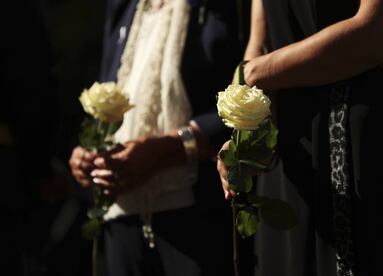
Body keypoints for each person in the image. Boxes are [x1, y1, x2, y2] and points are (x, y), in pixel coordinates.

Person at [217, 0, 383, 275]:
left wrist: (252, 74)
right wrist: (249, 128)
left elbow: (377, 30)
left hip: (367, 144)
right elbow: (260, 44)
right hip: (291, 152)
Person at [69, 0, 249, 275]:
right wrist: (89, 153)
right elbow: (111, 90)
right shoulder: (123, 7)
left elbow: (250, 97)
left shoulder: (226, 8)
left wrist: (174, 147)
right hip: (122, 218)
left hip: (198, 218)